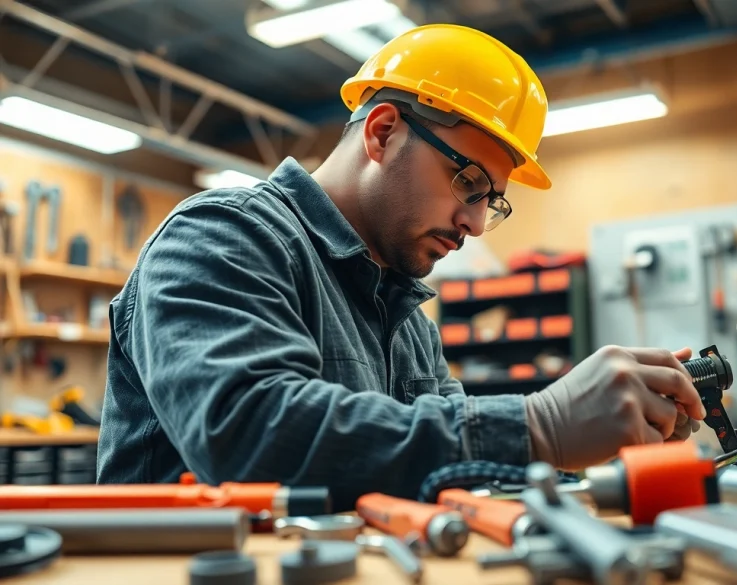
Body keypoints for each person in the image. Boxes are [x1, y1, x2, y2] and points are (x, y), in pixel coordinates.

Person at [95, 24, 706, 510]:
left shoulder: (408, 317)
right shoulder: (224, 235)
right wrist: (540, 426)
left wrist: (588, 437)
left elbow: (446, 472)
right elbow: (248, 436)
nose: (472, 224)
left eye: (491, 201)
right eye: (468, 182)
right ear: (383, 132)